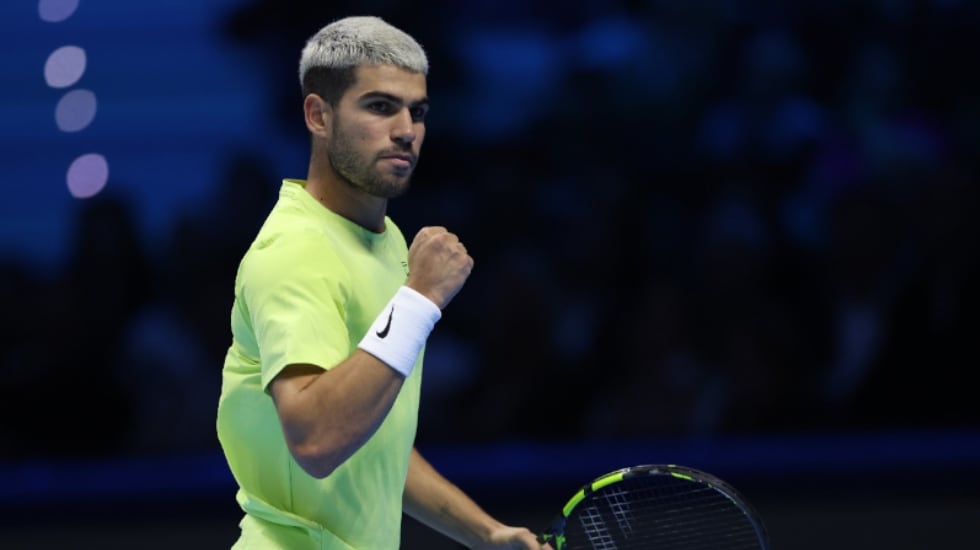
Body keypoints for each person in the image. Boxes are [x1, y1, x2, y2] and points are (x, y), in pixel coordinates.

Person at [216, 15, 547, 550]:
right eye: (379, 106)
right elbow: (319, 438)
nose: (406, 130)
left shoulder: (387, 239)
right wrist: (420, 298)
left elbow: (372, 437)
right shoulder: (295, 251)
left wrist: (485, 532)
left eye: (417, 111)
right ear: (318, 115)